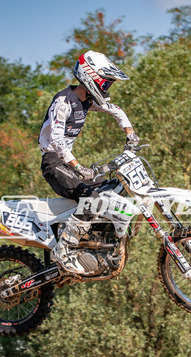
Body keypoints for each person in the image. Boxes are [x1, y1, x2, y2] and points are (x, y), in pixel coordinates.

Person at [38, 50, 140, 274]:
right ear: (90, 76)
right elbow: (56, 140)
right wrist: (77, 166)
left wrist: (130, 133)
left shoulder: (87, 101)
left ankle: (94, 242)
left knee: (112, 188)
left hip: (67, 163)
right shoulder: (64, 101)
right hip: (54, 163)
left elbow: (116, 110)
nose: (107, 88)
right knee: (91, 199)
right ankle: (64, 248)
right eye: (106, 83)